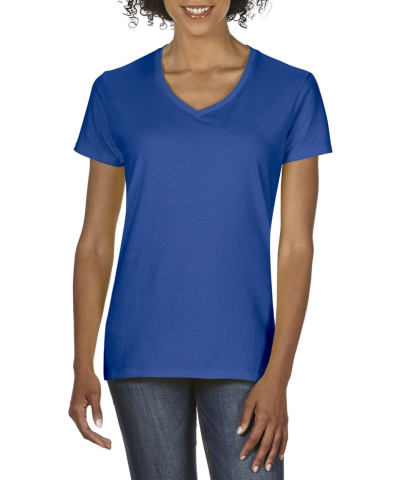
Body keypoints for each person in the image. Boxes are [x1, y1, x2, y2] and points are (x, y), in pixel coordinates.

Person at [69, 0, 332, 478]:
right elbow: (95, 241)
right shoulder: (115, 91)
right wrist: (81, 361)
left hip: (247, 352)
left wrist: (279, 373)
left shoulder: (292, 90)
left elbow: (297, 246)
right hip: (142, 348)